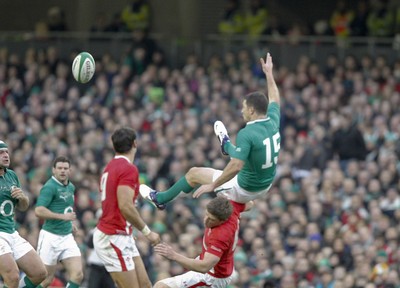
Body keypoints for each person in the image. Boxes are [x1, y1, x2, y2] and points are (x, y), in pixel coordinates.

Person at [140, 52, 281, 209]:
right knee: (245, 155)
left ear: (253, 111)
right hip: (265, 186)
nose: (242, 111)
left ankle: (160, 199)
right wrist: (269, 74)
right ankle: (226, 146)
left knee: (194, 173)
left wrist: (213, 185)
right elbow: (274, 98)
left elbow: (236, 166)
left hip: (245, 189)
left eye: (244, 108)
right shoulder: (273, 120)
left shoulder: (247, 133)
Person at [93, 127, 161, 288]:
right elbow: (125, 206)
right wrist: (147, 232)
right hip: (113, 236)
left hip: (121, 233)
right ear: (135, 144)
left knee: (145, 285)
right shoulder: (128, 169)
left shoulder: (110, 166)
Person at [153, 197, 249, 288]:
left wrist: (173, 255)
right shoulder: (231, 207)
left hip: (212, 277)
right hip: (219, 267)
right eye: (207, 214)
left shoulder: (220, 236)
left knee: (161, 286)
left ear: (222, 221)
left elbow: (204, 267)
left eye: (212, 219)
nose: (206, 220)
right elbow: (249, 204)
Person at [0, 140, 47, 288]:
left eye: (7, 152)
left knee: (39, 273)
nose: (6, 155)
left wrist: (22, 197)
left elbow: (23, 206)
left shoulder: (12, 175)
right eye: (1, 153)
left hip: (11, 232)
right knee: (12, 276)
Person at [35, 156, 84, 288]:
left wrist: (69, 223)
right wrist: (63, 218)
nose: (63, 171)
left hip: (66, 236)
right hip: (50, 237)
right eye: (60, 168)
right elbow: (38, 211)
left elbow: (63, 209)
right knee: (46, 280)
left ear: (70, 170)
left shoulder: (71, 187)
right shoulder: (49, 187)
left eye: (65, 168)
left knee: (78, 275)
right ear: (53, 170)